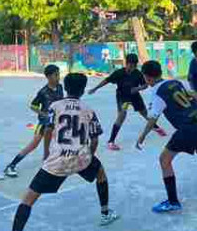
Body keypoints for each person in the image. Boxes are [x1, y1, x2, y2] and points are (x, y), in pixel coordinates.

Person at [12, 73, 118, 231]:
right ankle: (105, 213)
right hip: (81, 158)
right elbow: (95, 140)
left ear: (66, 88)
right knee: (100, 174)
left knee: (28, 199)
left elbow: (48, 130)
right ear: (83, 90)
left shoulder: (55, 106)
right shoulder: (88, 110)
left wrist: (47, 153)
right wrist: (89, 156)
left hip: (57, 160)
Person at [136, 61, 197, 213]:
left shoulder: (157, 93)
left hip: (187, 127)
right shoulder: (176, 81)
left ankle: (173, 202)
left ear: (147, 78)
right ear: (160, 71)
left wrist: (142, 136)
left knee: (164, 160)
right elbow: (196, 95)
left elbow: (153, 119)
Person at [89, 53, 166, 151]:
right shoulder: (119, 73)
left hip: (134, 96)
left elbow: (145, 85)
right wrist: (95, 88)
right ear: (126, 63)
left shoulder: (138, 73)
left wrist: (137, 89)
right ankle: (111, 141)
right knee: (121, 116)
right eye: (130, 65)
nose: (132, 67)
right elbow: (107, 80)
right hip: (122, 96)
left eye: (134, 66)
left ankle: (156, 127)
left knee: (145, 113)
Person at [5, 65, 63, 177]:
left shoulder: (60, 87)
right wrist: (43, 114)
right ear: (49, 77)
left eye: (58, 74)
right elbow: (33, 106)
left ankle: (49, 161)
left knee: (56, 142)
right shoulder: (43, 92)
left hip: (56, 123)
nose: (58, 77)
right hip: (44, 124)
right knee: (33, 144)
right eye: (56, 75)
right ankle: (11, 165)